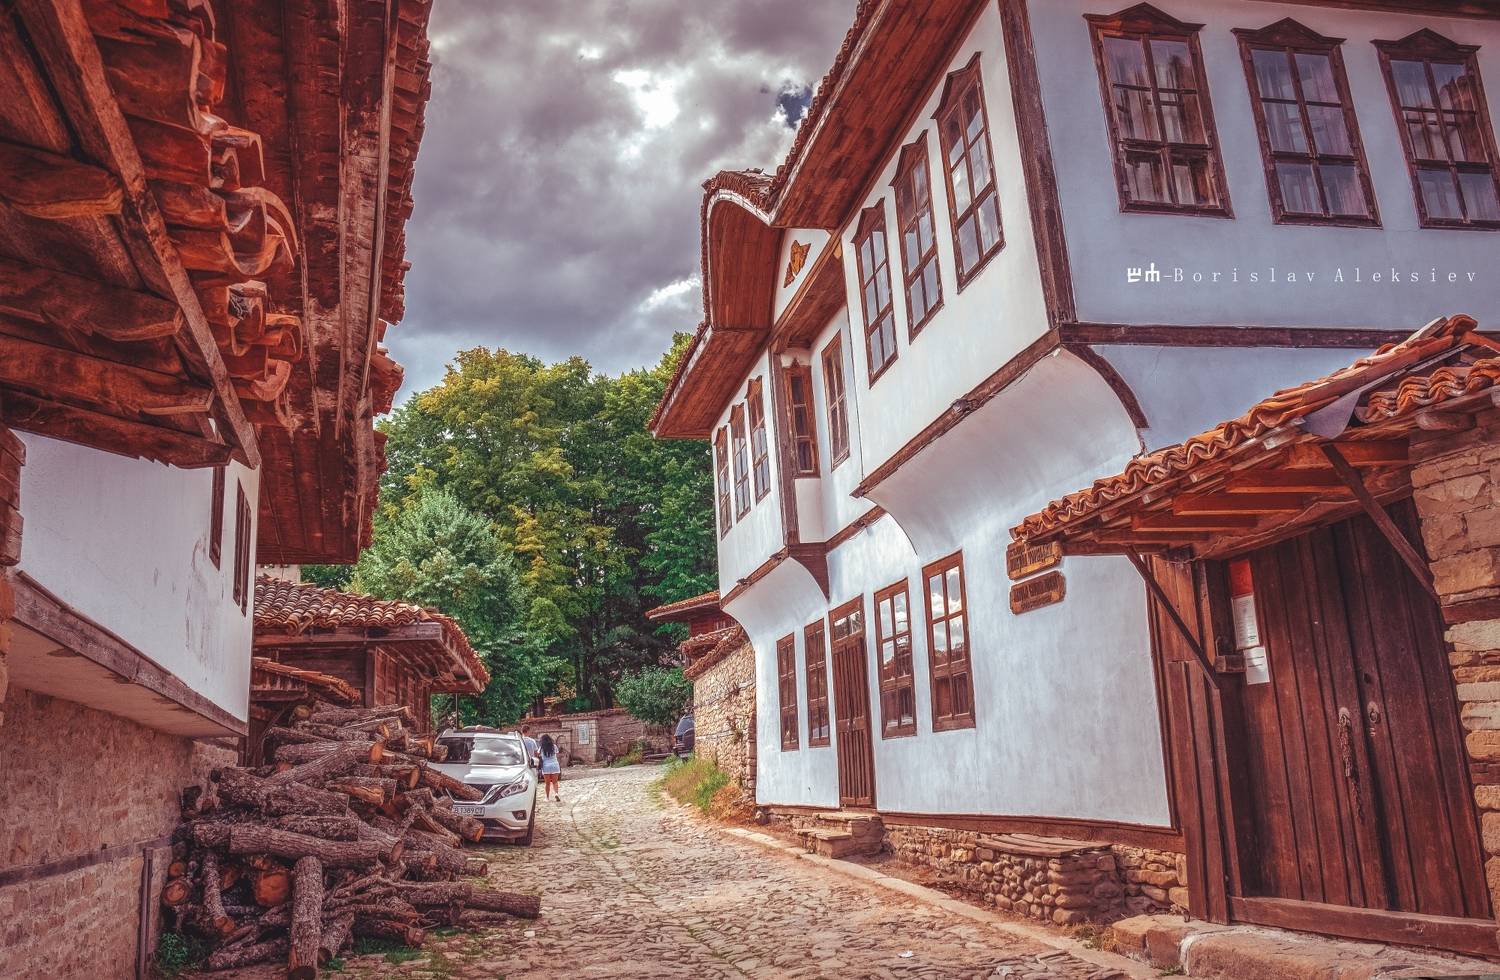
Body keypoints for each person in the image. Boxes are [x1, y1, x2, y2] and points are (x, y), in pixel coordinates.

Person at [538, 733, 562, 802]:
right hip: (555, 765)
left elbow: (538, 754)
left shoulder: (541, 748)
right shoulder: (554, 746)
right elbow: (557, 754)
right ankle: (556, 794)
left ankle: (547, 798)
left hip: (546, 766)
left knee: (547, 783)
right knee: (555, 782)